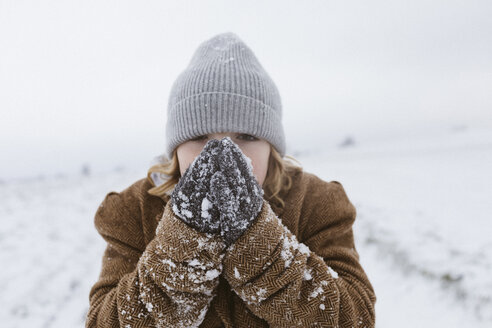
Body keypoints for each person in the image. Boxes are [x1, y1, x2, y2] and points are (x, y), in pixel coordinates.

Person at [85, 32, 376, 328]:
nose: (223, 154)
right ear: (175, 149)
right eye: (200, 137)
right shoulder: (133, 212)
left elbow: (356, 318)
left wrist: (261, 245)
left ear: (271, 147)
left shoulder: (317, 204)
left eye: (246, 136)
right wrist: (182, 251)